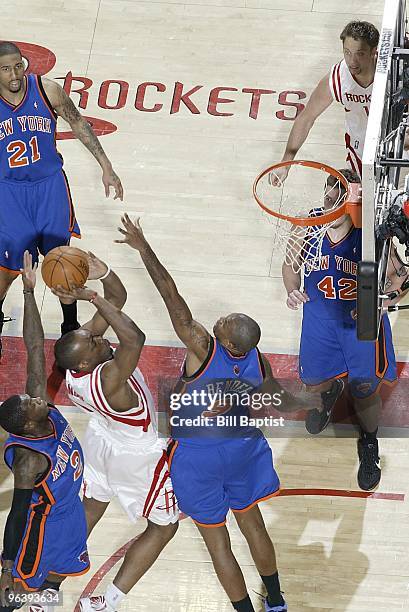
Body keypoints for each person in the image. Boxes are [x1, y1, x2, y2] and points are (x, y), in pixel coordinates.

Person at [115, 215, 320, 612]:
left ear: (227, 342)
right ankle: (275, 601)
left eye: (223, 323)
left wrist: (144, 249)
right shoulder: (258, 361)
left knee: (218, 543)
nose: (220, 319)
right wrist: (308, 402)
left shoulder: (203, 349)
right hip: (242, 449)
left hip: (199, 458)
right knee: (254, 525)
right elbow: (279, 399)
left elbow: (172, 298)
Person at [52, 254, 178, 612]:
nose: (99, 339)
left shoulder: (76, 364)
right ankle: (107, 602)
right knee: (164, 527)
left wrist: (103, 272)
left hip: (100, 439)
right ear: (85, 362)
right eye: (93, 342)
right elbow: (135, 338)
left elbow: (116, 301)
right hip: (134, 453)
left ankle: (48, 589)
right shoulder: (108, 378)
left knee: (91, 507)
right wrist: (92, 297)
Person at [282, 168, 408, 490]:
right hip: (319, 323)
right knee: (313, 381)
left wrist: (384, 301)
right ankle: (329, 397)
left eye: (338, 198)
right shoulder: (307, 227)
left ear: (354, 204)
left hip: (360, 329)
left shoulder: (371, 237)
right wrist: (292, 289)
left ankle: (369, 442)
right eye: (327, 194)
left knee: (366, 392)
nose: (329, 203)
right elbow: (289, 265)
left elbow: (400, 278)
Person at [0, 41, 123, 355]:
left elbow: (79, 124)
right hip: (10, 193)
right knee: (5, 273)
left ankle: (70, 329)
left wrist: (106, 165)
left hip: (50, 188)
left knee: (64, 263)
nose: (14, 74)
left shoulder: (47, 90)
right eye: (5, 68)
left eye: (18, 65)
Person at [0, 251, 89, 612]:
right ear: (27, 423)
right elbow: (17, 513)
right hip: (41, 527)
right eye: (29, 402)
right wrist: (6, 569)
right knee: (15, 595)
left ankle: (44, 600)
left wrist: (28, 291)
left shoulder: (40, 413)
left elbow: (34, 347)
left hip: (70, 514)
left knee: (58, 577)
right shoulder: (28, 459)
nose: (35, 398)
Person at [270, 21, 379, 184]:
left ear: (373, 52)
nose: (352, 61)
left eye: (360, 54)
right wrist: (286, 163)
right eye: (347, 52)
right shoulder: (338, 79)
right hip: (361, 151)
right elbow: (306, 118)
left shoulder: (393, 73)